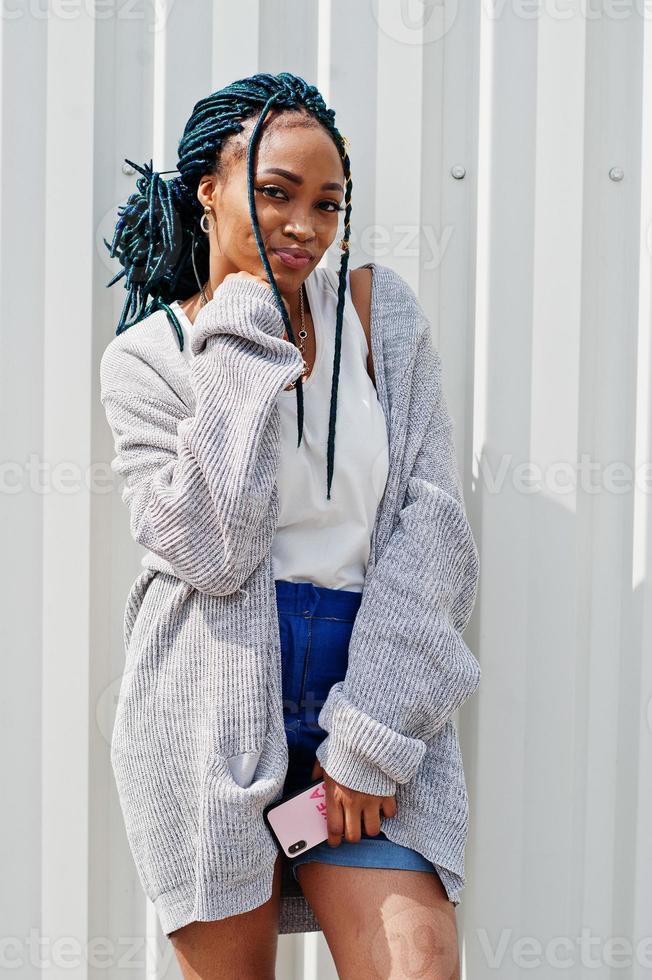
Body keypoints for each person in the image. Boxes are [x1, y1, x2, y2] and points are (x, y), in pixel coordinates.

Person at [100, 71, 480, 980]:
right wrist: (239, 323)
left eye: (327, 202)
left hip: (371, 680)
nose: (304, 225)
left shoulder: (379, 320)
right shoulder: (145, 359)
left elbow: (434, 534)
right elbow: (212, 549)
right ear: (210, 189)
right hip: (211, 712)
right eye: (275, 193)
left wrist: (370, 739)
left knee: (416, 966)